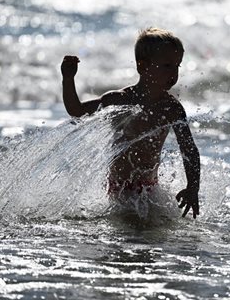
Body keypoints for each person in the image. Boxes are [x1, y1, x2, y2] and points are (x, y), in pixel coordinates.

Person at [60, 27, 201, 218]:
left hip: (150, 189)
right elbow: (76, 111)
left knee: (151, 241)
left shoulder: (172, 109)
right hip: (119, 188)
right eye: (167, 66)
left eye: (177, 66)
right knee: (124, 239)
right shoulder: (118, 100)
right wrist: (68, 79)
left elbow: (189, 149)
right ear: (142, 66)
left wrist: (192, 188)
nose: (173, 73)